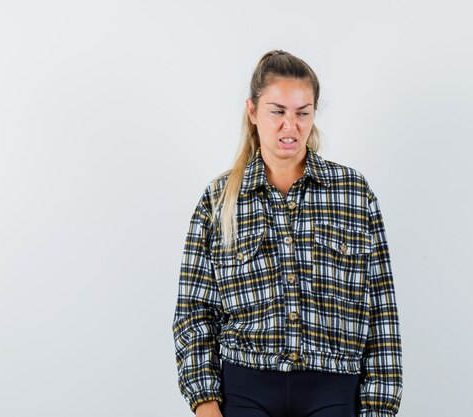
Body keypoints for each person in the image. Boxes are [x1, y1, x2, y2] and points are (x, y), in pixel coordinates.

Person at [172, 50, 403, 417]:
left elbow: (382, 311)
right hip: (245, 387)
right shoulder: (218, 200)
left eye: (302, 113)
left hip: (334, 384)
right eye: (277, 111)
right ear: (252, 111)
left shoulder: (353, 193)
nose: (290, 126)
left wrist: (379, 407)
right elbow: (194, 310)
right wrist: (206, 404)